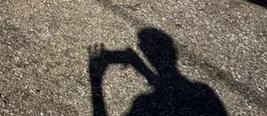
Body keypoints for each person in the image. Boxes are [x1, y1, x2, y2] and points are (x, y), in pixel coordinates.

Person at [88, 28, 227, 116]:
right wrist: (145, 70)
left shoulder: (143, 103)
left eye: (142, 46)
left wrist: (96, 80)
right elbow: (165, 87)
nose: (139, 47)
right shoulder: (204, 92)